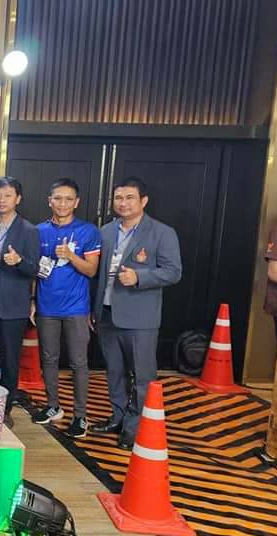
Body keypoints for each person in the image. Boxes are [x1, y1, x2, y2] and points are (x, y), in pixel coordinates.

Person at [90, 177, 181, 450]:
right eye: (118, 198)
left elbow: (173, 272)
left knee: (142, 376)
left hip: (140, 318)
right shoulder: (106, 231)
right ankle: (117, 418)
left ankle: (134, 428)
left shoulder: (162, 233)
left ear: (144, 201)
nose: (123, 203)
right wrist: (94, 309)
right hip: (107, 313)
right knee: (114, 371)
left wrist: (140, 277)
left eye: (129, 197)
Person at [29, 178, 101, 439]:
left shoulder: (88, 231)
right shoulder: (38, 231)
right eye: (57, 198)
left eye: (68, 199)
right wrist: (33, 301)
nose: (62, 203)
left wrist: (71, 256)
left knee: (78, 362)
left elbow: (91, 270)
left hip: (76, 308)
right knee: (49, 358)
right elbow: (35, 272)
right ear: (49, 200)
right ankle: (53, 406)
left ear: (76, 202)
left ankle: (80, 415)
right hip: (46, 306)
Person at [0, 177, 40, 428]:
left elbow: (34, 268)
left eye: (7, 195)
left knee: (9, 358)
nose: (1, 200)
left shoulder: (28, 230)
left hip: (12, 305)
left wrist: (19, 261)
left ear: (18, 199)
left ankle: (4, 408)